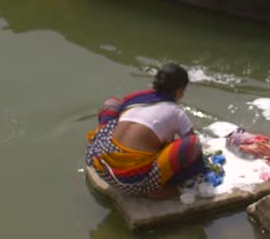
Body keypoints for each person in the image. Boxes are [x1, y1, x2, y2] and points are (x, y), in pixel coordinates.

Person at [85, 63, 206, 198]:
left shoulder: (135, 100)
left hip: (101, 163)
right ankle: (157, 190)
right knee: (192, 143)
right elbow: (193, 147)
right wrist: (201, 171)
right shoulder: (176, 112)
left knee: (112, 104)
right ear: (180, 92)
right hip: (132, 181)